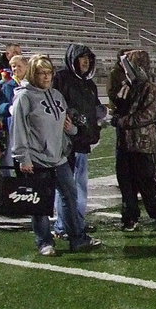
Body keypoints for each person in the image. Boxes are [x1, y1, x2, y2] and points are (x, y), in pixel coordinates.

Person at [10, 54, 102, 255]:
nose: (46, 77)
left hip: (59, 157)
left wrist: (72, 130)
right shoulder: (24, 97)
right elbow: (18, 129)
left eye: (49, 73)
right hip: (36, 159)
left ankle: (78, 238)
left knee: (70, 196)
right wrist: (23, 158)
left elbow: (65, 126)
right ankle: (44, 241)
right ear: (34, 74)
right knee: (41, 203)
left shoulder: (57, 95)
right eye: (41, 73)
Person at [110, 49, 156, 231]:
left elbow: (146, 116)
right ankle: (129, 217)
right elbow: (118, 105)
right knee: (126, 183)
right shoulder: (128, 86)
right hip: (125, 144)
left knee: (147, 183)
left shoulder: (150, 89)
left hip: (144, 144)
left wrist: (119, 121)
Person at [52, 43, 103, 238]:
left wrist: (99, 117)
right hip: (66, 144)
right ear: (73, 59)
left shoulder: (88, 84)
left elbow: (95, 108)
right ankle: (63, 226)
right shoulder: (61, 78)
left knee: (80, 187)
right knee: (67, 189)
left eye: (88, 58)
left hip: (83, 141)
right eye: (82, 58)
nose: (86, 62)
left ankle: (77, 222)